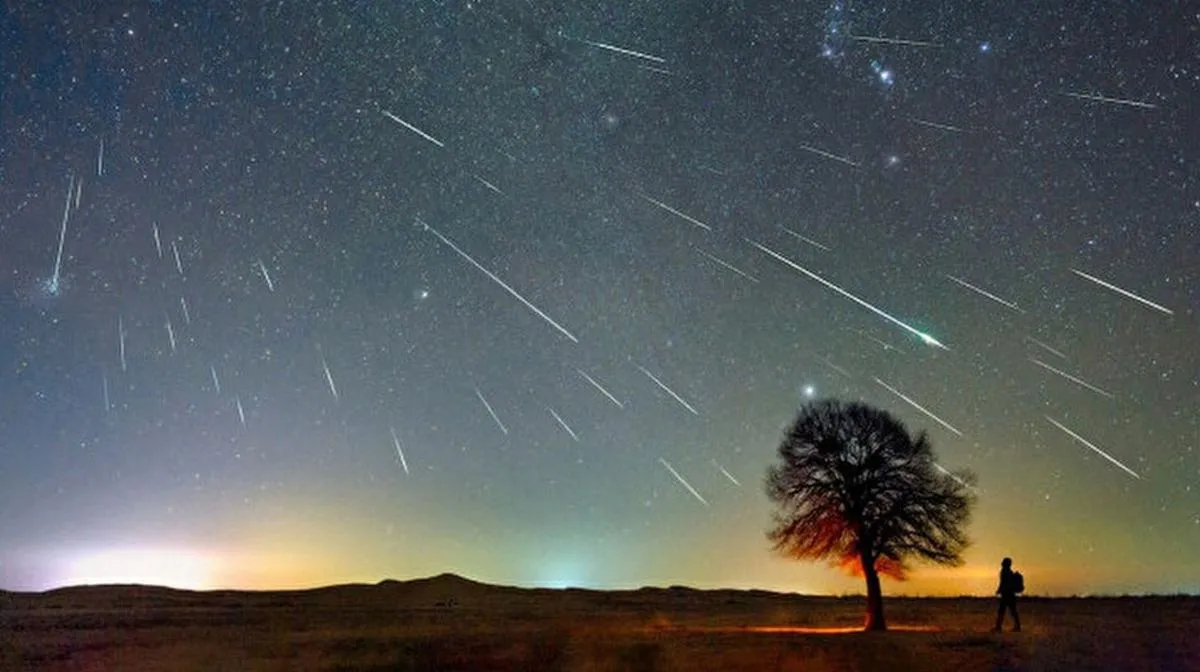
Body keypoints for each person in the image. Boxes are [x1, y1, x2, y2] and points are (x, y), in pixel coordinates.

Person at [992, 557, 1021, 632]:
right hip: (1010, 594)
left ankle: (998, 627)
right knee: (1011, 611)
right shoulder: (1009, 571)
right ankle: (1016, 626)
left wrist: (999, 590)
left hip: (1006, 594)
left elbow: (1003, 583)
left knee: (1003, 611)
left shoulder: (1005, 571)